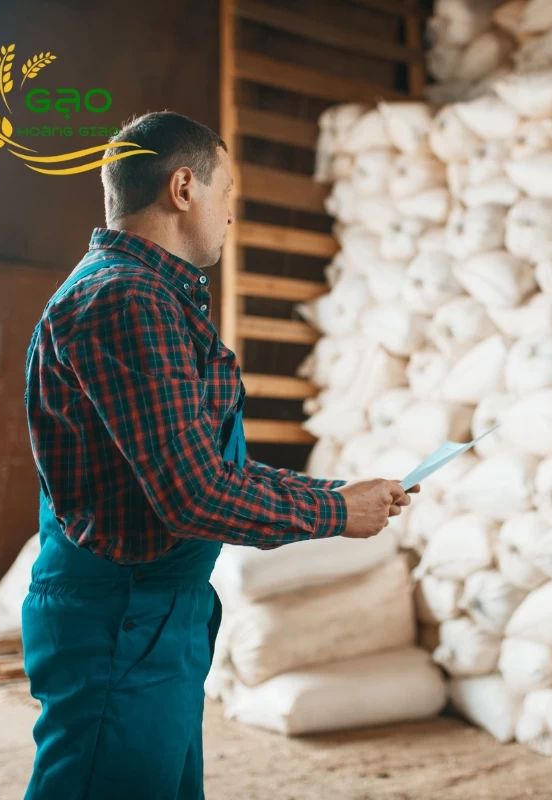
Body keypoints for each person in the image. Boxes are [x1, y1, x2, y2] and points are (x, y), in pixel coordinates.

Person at [20, 110, 414, 800]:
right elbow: (194, 493)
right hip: (122, 616)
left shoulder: (145, 295)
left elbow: (204, 467)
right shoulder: (127, 299)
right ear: (183, 188)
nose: (229, 213)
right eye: (225, 191)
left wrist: (338, 495)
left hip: (153, 610)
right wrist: (334, 513)